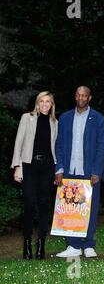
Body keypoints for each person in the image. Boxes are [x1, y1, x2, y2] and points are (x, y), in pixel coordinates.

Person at [54, 86, 104, 258]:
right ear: (75, 96)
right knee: (70, 208)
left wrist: (97, 170)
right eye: (78, 95)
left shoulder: (98, 118)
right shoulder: (65, 117)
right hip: (69, 170)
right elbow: (59, 145)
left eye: (84, 95)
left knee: (90, 208)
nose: (81, 97)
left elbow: (101, 147)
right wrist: (59, 169)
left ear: (89, 97)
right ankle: (73, 246)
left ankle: (89, 244)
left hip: (89, 171)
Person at [11, 91, 58, 260]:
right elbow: (19, 142)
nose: (45, 104)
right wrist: (17, 166)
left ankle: (41, 245)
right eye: (42, 101)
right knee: (29, 205)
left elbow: (55, 148)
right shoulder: (27, 118)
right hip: (29, 166)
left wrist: (57, 170)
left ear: (52, 105)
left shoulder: (55, 122)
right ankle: (26, 245)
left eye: (48, 102)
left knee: (44, 207)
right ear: (38, 103)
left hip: (47, 167)